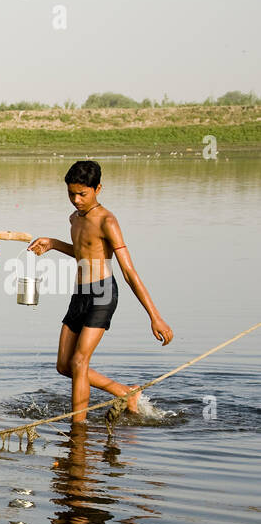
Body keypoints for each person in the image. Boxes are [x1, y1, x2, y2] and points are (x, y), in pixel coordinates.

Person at [28, 160, 173, 421]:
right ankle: (125, 392)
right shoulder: (74, 218)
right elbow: (83, 253)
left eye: (82, 194)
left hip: (103, 294)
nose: (76, 200)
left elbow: (129, 272)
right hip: (79, 295)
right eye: (71, 193)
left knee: (79, 362)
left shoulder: (108, 221)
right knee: (64, 365)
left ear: (98, 189)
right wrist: (52, 243)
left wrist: (155, 316)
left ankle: (78, 429)